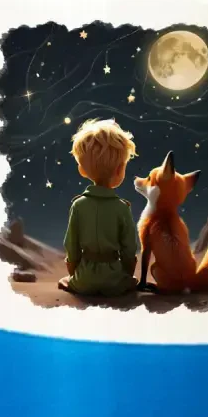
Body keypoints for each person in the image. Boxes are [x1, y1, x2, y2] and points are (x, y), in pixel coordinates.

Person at [59, 118, 139, 297]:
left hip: (84, 278)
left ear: (82, 170)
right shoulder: (122, 208)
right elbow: (129, 247)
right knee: (131, 283)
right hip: (114, 280)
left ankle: (77, 283)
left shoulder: (78, 205)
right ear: (120, 169)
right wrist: (126, 274)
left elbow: (71, 244)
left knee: (66, 281)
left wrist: (74, 272)